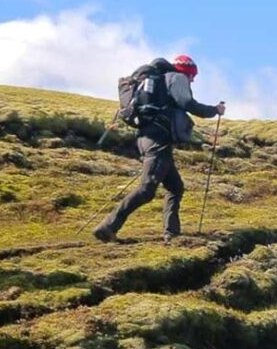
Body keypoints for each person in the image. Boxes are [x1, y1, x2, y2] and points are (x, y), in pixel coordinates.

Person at [95, 54, 225, 241]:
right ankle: (108, 226)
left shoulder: (157, 82)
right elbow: (187, 103)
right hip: (158, 140)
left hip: (147, 138)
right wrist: (214, 110)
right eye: (192, 75)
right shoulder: (176, 77)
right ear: (186, 71)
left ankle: (172, 233)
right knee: (147, 189)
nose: (193, 79)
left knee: (175, 187)